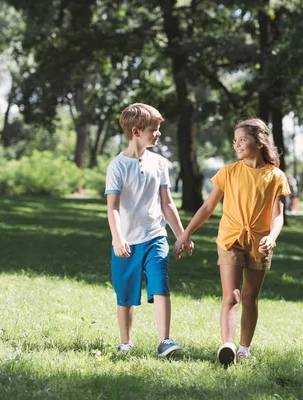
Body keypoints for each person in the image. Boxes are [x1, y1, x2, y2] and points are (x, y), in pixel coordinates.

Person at [174, 118, 290, 366]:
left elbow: (278, 215)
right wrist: (186, 233)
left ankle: (244, 349)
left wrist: (271, 237)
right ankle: (227, 345)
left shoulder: (276, 176)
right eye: (235, 141)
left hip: (260, 243)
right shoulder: (228, 172)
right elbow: (207, 207)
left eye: (242, 140)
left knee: (250, 297)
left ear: (259, 143)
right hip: (230, 239)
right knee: (232, 296)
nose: (236, 145)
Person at [105, 103, 193, 357]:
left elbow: (166, 203)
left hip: (155, 236)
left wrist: (181, 234)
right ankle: (126, 342)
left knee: (160, 284)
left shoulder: (159, 163)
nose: (158, 134)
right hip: (126, 241)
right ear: (136, 131)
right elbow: (113, 207)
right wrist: (118, 237)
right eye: (153, 130)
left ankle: (165, 340)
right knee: (125, 293)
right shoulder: (118, 166)